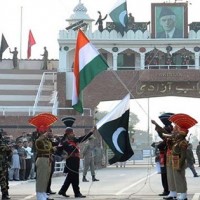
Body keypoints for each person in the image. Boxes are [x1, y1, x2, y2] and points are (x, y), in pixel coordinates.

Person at [57, 116, 96, 198]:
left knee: (71, 177)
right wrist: (64, 156)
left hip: (76, 160)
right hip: (70, 161)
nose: (73, 134)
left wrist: (91, 132)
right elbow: (58, 151)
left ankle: (62, 190)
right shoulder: (64, 142)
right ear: (67, 134)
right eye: (71, 133)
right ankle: (77, 193)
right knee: (74, 177)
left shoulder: (74, 140)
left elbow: (83, 138)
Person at [28, 112, 58, 200]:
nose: (47, 132)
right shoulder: (38, 140)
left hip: (48, 160)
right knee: (41, 178)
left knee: (46, 178)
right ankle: (39, 195)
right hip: (41, 159)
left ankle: (44, 193)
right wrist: (44, 136)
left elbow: (49, 148)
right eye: (45, 130)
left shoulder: (47, 140)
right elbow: (38, 143)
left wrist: (54, 148)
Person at [168, 113, 197, 200]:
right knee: (176, 178)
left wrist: (180, 165)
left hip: (179, 161)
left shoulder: (183, 142)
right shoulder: (178, 141)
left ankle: (183, 195)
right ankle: (180, 194)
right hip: (175, 160)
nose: (176, 134)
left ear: (182, 134)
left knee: (180, 178)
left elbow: (183, 155)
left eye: (178, 133)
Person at [151, 112, 174, 197]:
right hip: (163, 155)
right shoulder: (168, 128)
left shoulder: (170, 128)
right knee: (164, 174)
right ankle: (166, 190)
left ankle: (168, 190)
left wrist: (156, 124)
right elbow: (163, 135)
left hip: (167, 155)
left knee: (166, 174)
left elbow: (165, 135)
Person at [0, 131, 12, 200]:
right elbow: (9, 152)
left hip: (3, 165)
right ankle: (4, 195)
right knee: (3, 181)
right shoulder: (3, 144)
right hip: (2, 166)